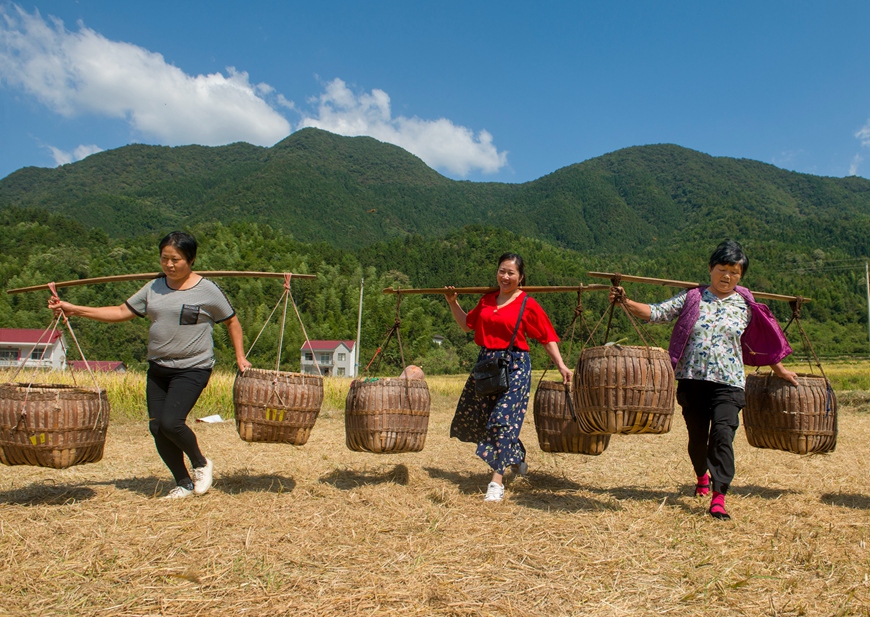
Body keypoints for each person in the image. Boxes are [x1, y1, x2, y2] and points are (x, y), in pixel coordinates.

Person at [49, 231, 252, 499]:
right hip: (158, 369)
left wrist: (240, 356)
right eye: (164, 258)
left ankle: (201, 464)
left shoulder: (207, 290)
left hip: (193, 368)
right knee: (157, 426)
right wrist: (75, 309)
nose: (169, 265)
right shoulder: (154, 288)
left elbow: (232, 322)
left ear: (190, 260)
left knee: (170, 422)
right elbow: (122, 312)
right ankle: (183, 483)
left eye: (175, 259)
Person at [609, 239, 798, 520]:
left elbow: (763, 342)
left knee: (722, 436)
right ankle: (701, 476)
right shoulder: (692, 298)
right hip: (693, 380)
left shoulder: (747, 306)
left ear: (741, 276)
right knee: (698, 438)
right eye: (722, 269)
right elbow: (657, 312)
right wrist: (625, 302)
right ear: (711, 268)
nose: (727, 276)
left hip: (729, 383)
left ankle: (719, 496)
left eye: (735, 272)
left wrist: (779, 369)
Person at [445, 252, 572, 502]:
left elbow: (547, 336)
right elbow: (466, 325)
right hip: (487, 367)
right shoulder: (486, 300)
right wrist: (452, 302)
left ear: (521, 277)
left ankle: (496, 481)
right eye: (502, 271)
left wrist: (561, 365)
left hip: (515, 367)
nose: (505, 276)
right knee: (491, 419)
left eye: (511, 273)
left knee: (502, 419)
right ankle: (518, 457)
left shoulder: (527, 304)